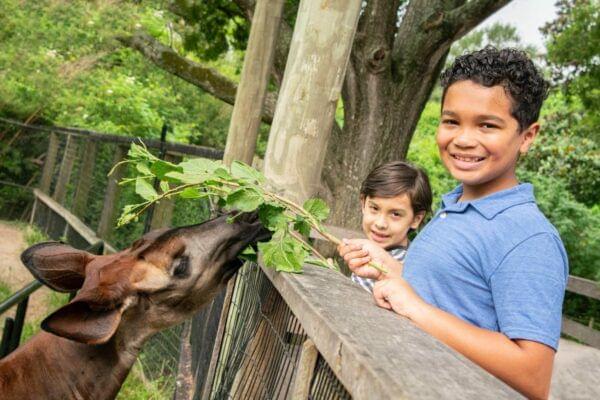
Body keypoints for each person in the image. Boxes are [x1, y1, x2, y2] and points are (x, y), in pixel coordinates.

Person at [338, 47, 568, 399]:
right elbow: (452, 297)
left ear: (527, 136)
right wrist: (390, 270)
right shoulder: (453, 207)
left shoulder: (530, 238)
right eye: (451, 121)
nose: (462, 138)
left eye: (487, 125)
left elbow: (533, 375)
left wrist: (416, 309)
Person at [350, 161, 432, 293]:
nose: (380, 223)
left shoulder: (405, 267)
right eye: (375, 208)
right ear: (363, 203)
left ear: (416, 219)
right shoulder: (366, 252)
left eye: (395, 214)